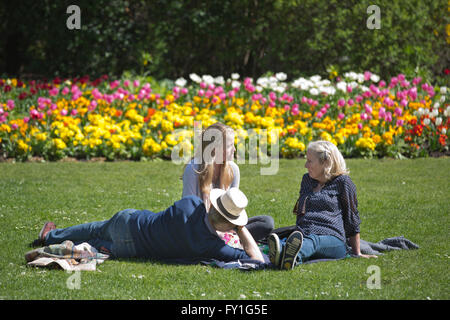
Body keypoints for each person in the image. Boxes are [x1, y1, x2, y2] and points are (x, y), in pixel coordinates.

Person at [33, 187, 265, 264]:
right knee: (98, 241)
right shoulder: (211, 246)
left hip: (130, 223)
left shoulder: (189, 204)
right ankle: (86, 250)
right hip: (131, 251)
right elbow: (256, 261)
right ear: (229, 225)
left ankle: (52, 236)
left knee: (96, 228)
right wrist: (241, 228)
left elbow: (201, 210)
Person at [268, 140, 377, 270]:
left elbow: (351, 218)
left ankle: (289, 256)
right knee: (301, 240)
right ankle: (285, 254)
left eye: (309, 161)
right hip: (305, 233)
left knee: (314, 242)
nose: (305, 165)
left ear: (325, 163)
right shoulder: (307, 180)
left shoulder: (343, 182)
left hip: (333, 239)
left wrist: (357, 252)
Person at [181, 122, 274, 247]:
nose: (235, 149)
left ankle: (228, 241)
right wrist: (216, 231)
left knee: (266, 223)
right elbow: (187, 212)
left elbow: (234, 211)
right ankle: (228, 242)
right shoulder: (193, 169)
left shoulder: (233, 170)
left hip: (227, 227)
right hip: (199, 227)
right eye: (231, 145)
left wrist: (229, 230)